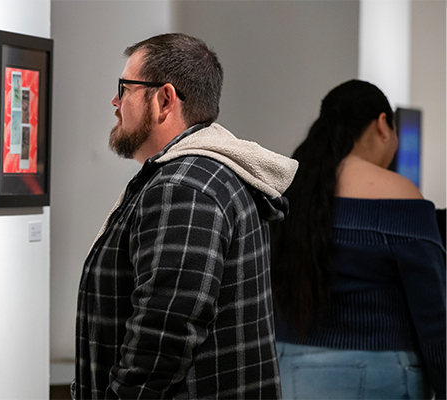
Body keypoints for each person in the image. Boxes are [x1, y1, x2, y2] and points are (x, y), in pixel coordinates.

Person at [73, 33, 298, 399]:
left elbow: (164, 335)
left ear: (164, 99)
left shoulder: (184, 187)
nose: (115, 101)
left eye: (125, 88)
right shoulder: (207, 176)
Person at [271, 79, 446, 399]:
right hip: (379, 374)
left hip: (287, 369)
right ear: (383, 124)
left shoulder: (291, 192)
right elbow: (434, 316)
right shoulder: (400, 195)